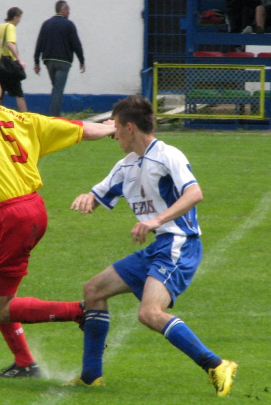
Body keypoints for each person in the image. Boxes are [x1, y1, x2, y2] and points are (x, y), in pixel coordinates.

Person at [0, 72, 116, 378]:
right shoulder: (24, 120)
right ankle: (24, 362)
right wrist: (111, 128)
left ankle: (80, 312)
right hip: (35, 208)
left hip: (11, 217)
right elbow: (79, 129)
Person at [65, 95, 237, 397]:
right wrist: (88, 197)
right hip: (157, 247)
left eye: (116, 128)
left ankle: (216, 364)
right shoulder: (126, 165)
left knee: (150, 313)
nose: (114, 135)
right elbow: (101, 191)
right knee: (93, 290)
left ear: (130, 128)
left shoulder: (168, 155)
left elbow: (195, 193)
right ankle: (91, 376)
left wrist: (156, 221)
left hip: (179, 244)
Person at [33, 0, 85, 117]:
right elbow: (76, 44)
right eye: (68, 10)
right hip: (63, 62)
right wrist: (82, 60)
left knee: (56, 88)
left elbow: (39, 43)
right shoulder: (69, 25)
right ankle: (54, 117)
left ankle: (54, 114)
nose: (69, 12)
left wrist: (36, 62)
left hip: (49, 61)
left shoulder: (46, 24)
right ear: (64, 10)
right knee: (58, 89)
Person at [0, 7, 28, 112]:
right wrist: (19, 60)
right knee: (19, 93)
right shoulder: (11, 27)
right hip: (8, 65)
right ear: (15, 17)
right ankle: (26, 117)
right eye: (19, 18)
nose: (19, 21)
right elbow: (10, 43)